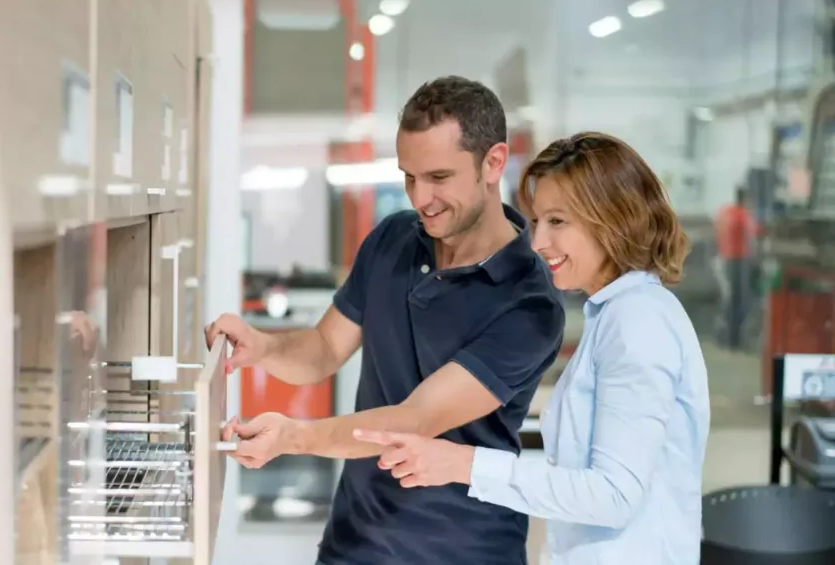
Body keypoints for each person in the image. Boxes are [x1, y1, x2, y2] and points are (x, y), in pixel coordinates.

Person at [205, 76, 565, 565]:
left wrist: (295, 437)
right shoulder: (394, 238)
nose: (420, 198)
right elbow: (324, 349)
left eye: (438, 178)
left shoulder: (529, 302)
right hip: (355, 544)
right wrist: (264, 348)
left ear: (493, 162)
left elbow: (415, 421)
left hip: (462, 551)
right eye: (408, 177)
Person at [355, 132, 711, 564]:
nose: (538, 241)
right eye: (537, 221)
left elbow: (614, 494)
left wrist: (463, 464)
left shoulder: (638, 322)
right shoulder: (615, 315)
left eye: (557, 222)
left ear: (614, 218)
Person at [713, 185, 758, 349]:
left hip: (724, 259)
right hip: (739, 261)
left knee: (728, 301)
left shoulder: (725, 212)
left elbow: (717, 231)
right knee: (740, 302)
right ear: (745, 199)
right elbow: (751, 238)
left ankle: (723, 339)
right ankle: (735, 341)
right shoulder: (744, 216)